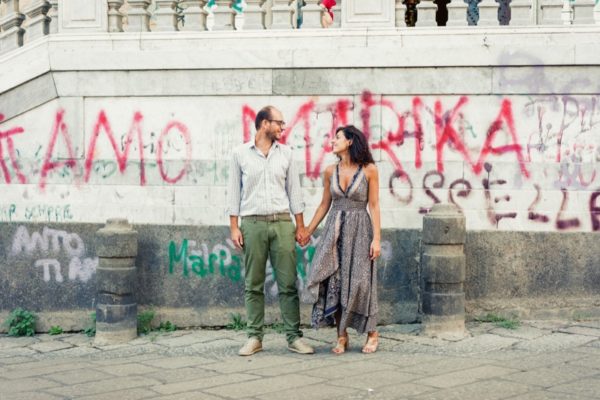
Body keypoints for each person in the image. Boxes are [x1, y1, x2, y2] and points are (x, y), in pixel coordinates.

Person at [228, 105, 315, 356]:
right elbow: (234, 191)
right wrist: (234, 227)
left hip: (282, 223)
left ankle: (293, 337)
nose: (282, 128)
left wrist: (300, 226)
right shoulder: (240, 154)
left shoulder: (287, 154)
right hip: (252, 223)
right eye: (279, 123)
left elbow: (294, 192)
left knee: (288, 283)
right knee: (253, 283)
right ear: (264, 123)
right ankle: (254, 336)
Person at [301, 125, 381, 354]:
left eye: (337, 137)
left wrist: (376, 239)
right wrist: (308, 229)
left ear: (350, 141)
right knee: (334, 280)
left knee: (361, 282)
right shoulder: (329, 171)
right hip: (334, 230)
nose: (332, 141)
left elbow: (374, 205)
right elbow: (324, 204)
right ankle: (341, 335)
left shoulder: (369, 170)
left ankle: (372, 333)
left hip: (360, 230)